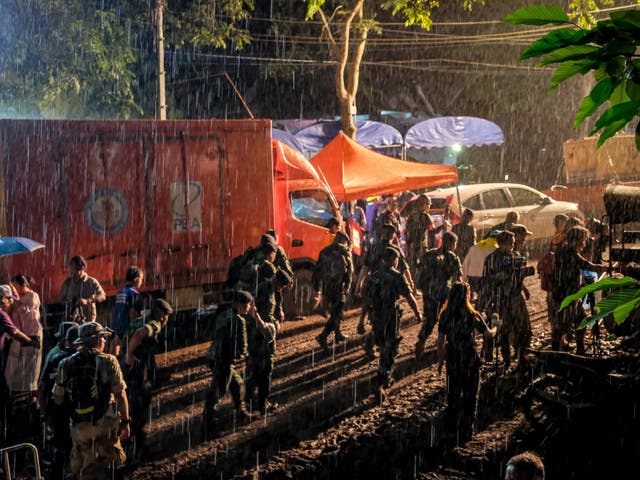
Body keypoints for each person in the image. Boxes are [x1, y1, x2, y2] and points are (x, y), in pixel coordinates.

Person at [53, 321, 130, 479]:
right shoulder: (109, 361)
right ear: (95, 339)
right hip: (104, 422)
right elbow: (120, 395)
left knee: (84, 466)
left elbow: (58, 398)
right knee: (111, 465)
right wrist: (126, 422)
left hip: (79, 426)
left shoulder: (65, 364)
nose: (104, 341)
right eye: (102, 338)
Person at [437, 282, 496, 445]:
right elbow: (489, 335)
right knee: (471, 399)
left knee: (453, 397)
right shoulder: (473, 315)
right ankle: (467, 433)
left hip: (453, 359)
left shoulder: (445, 315)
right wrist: (496, 327)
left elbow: (440, 342)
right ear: (467, 296)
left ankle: (451, 434)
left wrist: (441, 362)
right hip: (469, 358)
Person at [364, 247, 422, 403]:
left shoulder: (373, 277)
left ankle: (384, 377)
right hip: (390, 316)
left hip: (376, 316)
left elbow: (366, 300)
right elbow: (410, 297)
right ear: (394, 260)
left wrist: (364, 318)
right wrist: (418, 314)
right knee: (390, 349)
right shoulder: (397, 277)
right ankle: (381, 382)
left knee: (383, 344)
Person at [122, 298, 172, 461]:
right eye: (166, 315)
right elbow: (138, 335)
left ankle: (130, 445)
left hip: (127, 372)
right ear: (159, 313)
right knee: (140, 410)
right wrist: (130, 354)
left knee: (130, 407)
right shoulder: (154, 324)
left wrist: (125, 357)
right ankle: (137, 450)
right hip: (137, 371)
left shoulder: (137, 320)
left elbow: (123, 336)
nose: (166, 319)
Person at [552, 226, 607, 354]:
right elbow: (587, 266)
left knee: (569, 322)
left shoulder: (561, 251)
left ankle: (560, 350)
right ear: (578, 240)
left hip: (563, 293)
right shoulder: (571, 253)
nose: (584, 243)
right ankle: (566, 350)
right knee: (570, 322)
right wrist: (605, 268)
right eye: (583, 240)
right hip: (568, 294)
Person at [245, 266, 291, 415]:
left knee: (259, 369)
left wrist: (278, 316)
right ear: (277, 281)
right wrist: (266, 323)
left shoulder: (273, 291)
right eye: (281, 286)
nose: (281, 289)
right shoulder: (264, 289)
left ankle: (254, 402)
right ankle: (259, 404)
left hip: (264, 335)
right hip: (259, 336)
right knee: (264, 369)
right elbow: (255, 309)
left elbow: (274, 309)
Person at [203, 290, 250, 435]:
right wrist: (244, 356)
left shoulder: (224, 315)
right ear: (240, 305)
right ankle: (207, 427)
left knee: (237, 383)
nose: (249, 307)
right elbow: (242, 347)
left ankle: (241, 413)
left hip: (214, 356)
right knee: (219, 391)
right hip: (224, 359)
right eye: (247, 304)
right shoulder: (239, 320)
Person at [482, 231, 531, 371]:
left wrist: (524, 288)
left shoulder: (514, 256)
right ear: (503, 243)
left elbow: (516, 276)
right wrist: (500, 276)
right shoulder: (492, 259)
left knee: (523, 329)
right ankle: (506, 360)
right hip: (500, 299)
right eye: (511, 242)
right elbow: (488, 279)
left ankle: (523, 358)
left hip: (516, 298)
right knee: (503, 331)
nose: (513, 245)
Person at [0, 284, 40, 445]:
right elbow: (15, 332)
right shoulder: (1, 314)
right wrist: (32, 342)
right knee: (5, 408)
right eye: (10, 300)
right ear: (3, 299)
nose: (11, 304)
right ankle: (6, 449)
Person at [38, 325, 79, 480]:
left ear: (67, 340)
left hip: (56, 411)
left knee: (58, 448)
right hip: (76, 413)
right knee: (75, 449)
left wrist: (44, 411)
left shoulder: (55, 358)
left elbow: (41, 387)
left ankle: (56, 473)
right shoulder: (81, 359)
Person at [415, 231, 463, 359]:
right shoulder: (452, 258)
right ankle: (443, 348)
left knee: (429, 318)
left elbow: (419, 271)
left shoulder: (429, 254)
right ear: (452, 243)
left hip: (429, 292)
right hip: (443, 293)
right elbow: (458, 278)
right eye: (455, 243)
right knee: (447, 319)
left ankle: (421, 341)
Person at [313, 231, 354, 350]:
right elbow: (349, 271)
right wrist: (348, 286)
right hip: (339, 287)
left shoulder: (325, 251)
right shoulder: (345, 252)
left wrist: (317, 287)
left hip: (327, 287)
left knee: (335, 311)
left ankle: (338, 334)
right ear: (344, 241)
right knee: (337, 313)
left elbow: (317, 270)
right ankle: (323, 336)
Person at [5, 274, 43, 397]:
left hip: (30, 335)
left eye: (16, 286)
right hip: (18, 336)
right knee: (14, 367)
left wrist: (17, 300)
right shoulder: (15, 298)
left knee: (27, 368)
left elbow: (29, 315)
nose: (14, 289)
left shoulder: (32, 296)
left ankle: (28, 395)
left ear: (24, 285)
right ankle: (14, 391)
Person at [405, 194, 448, 277]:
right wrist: (443, 226)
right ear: (424, 205)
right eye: (429, 204)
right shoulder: (425, 216)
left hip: (411, 246)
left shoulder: (411, 215)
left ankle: (413, 285)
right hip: (421, 246)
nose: (429, 207)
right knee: (422, 267)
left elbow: (406, 231)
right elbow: (432, 232)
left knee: (412, 267)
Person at [59, 255, 106, 323]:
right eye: (71, 269)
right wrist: (69, 302)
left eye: (75, 269)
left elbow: (102, 296)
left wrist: (88, 301)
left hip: (88, 321)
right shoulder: (68, 283)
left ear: (82, 268)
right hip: (72, 321)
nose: (72, 272)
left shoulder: (91, 282)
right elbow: (61, 299)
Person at [109, 266, 144, 356]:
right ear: (136, 279)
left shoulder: (120, 292)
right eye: (141, 279)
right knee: (130, 351)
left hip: (117, 323)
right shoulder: (134, 294)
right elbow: (134, 313)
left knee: (113, 346)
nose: (142, 281)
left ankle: (109, 365)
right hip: (126, 325)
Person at [265, 230, 294, 321]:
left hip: (259, 281)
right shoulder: (278, 250)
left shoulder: (259, 249)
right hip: (273, 279)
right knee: (277, 296)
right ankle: (276, 317)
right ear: (276, 239)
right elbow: (285, 265)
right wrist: (290, 279)